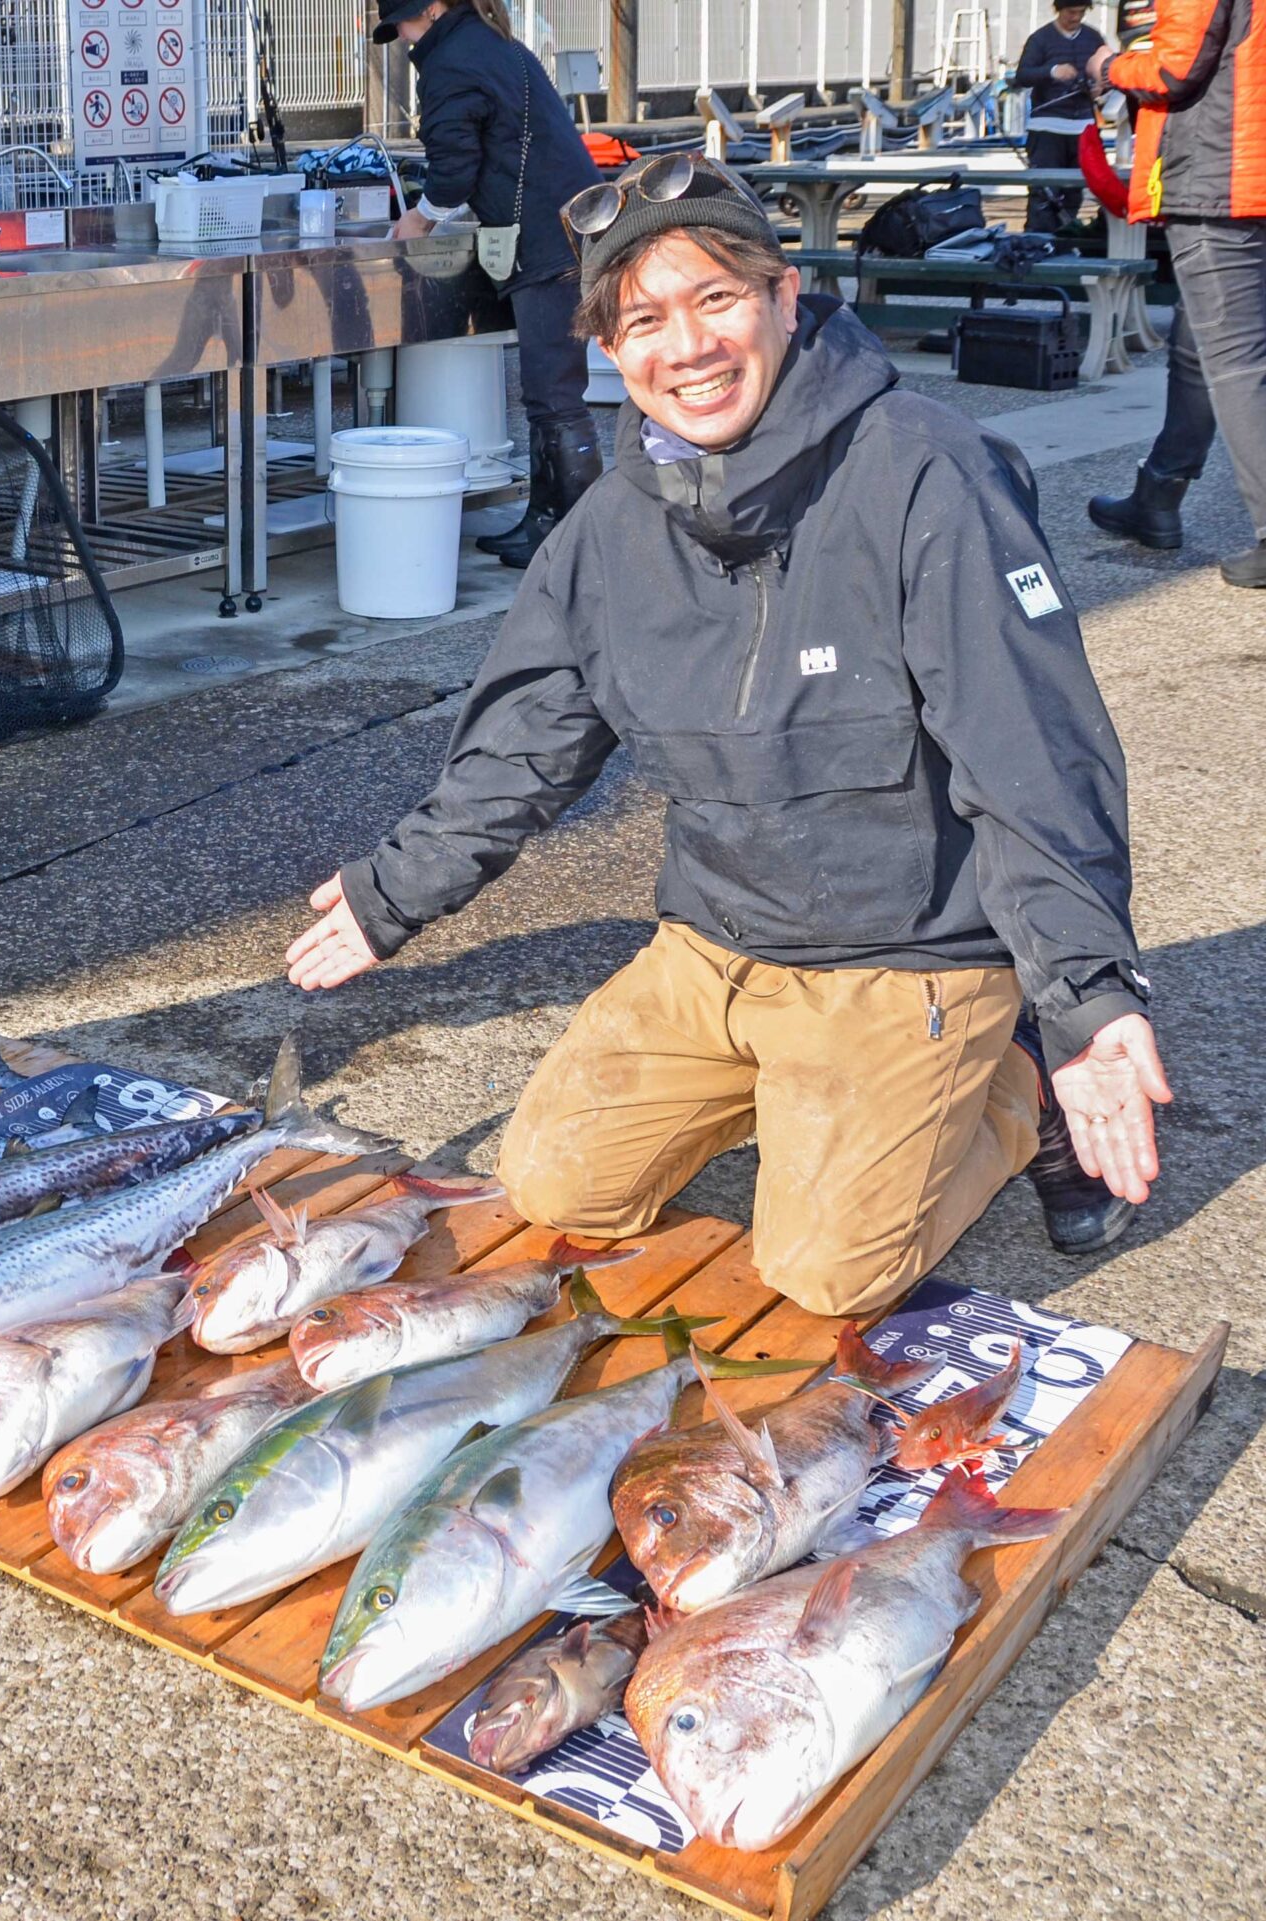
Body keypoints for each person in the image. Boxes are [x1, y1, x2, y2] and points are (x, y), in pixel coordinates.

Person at [287, 159, 1167, 1320]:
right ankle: (796, 1089)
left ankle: (1009, 1091)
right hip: (712, 942)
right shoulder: (610, 529)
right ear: (609, 349)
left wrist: (1085, 1002)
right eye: (644, 319)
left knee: (823, 1272)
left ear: (784, 297)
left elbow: (1032, 757)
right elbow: (526, 741)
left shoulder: (923, 470)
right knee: (548, 1183)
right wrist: (393, 893)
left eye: (716, 299)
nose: (686, 348)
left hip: (906, 953)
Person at [375, 0, 604, 569]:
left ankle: (570, 536)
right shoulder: (496, 43)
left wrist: (418, 219)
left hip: (548, 243)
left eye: (402, 22)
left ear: (431, 9)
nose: (402, 37)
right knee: (553, 389)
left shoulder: (452, 62)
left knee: (554, 393)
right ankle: (550, 524)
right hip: (575, 225)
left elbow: (454, 171)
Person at [1086, 0, 1266, 588]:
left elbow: (1173, 67)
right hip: (1244, 169)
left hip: (1221, 178)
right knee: (1198, 351)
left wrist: (1113, 68)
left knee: (1236, 364)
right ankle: (1157, 496)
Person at [1015, 1, 1104, 233]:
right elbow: (1022, 75)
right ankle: (1038, 242)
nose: (1075, 17)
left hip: (1083, 126)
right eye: (1071, 12)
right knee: (1044, 192)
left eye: (1081, 13)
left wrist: (1101, 86)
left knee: (1074, 192)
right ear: (1058, 9)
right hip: (1047, 127)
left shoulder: (1094, 38)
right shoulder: (1040, 39)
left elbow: (1106, 71)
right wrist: (1052, 71)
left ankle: (1066, 238)